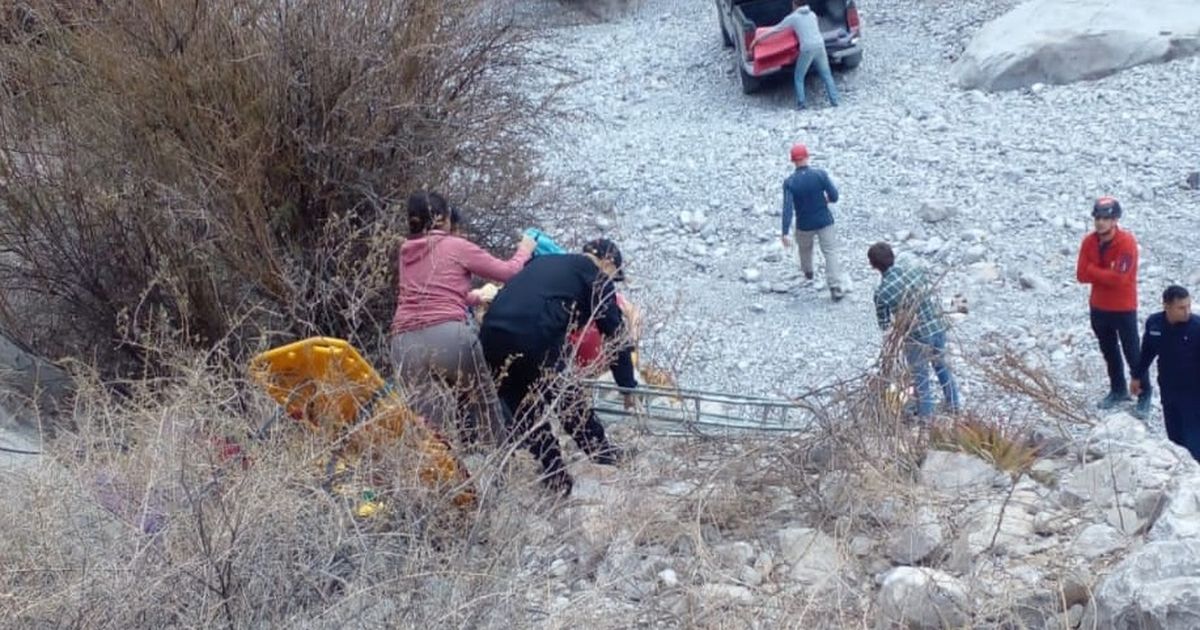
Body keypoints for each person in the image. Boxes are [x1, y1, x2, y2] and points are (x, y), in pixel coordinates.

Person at [479, 238, 638, 495]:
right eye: (614, 276)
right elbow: (615, 332)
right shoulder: (594, 274)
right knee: (565, 398)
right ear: (608, 262)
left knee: (525, 410)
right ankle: (604, 456)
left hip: (490, 336)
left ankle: (556, 477)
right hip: (533, 333)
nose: (612, 282)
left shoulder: (545, 263)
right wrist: (627, 387)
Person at [389, 192, 535, 445]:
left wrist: (475, 297)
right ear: (443, 218)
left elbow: (429, 294)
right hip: (449, 338)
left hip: (404, 342)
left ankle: (438, 477)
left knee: (427, 424)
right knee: (484, 402)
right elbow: (509, 272)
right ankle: (494, 473)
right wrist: (525, 250)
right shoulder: (457, 245)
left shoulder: (406, 251)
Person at [1076, 196, 1151, 416]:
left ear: (1115, 219)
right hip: (1099, 307)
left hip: (1123, 307)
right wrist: (1106, 271)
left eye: (1105, 218)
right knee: (1109, 350)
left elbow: (1119, 278)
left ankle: (1145, 393)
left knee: (1133, 352)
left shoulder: (1126, 242)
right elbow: (1081, 274)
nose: (1101, 222)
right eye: (1098, 218)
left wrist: (1095, 270)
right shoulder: (1089, 242)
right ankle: (1117, 388)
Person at [868, 242, 961, 418]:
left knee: (921, 379)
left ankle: (927, 419)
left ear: (873, 265)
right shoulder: (914, 270)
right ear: (893, 256)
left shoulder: (881, 292)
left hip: (916, 336)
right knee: (942, 367)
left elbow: (884, 323)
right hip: (937, 325)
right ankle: (954, 405)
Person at [1131, 285, 1200, 460]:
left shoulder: (1196, 327)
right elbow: (1147, 351)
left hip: (1193, 392)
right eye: (1181, 308)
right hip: (1168, 389)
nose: (1187, 312)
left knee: (1193, 440)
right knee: (1174, 437)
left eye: (1188, 306)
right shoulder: (1154, 324)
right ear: (1167, 306)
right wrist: (1137, 376)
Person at [780, 143, 847, 301]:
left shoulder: (790, 182)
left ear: (793, 161)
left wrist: (784, 232)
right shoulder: (820, 175)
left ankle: (808, 272)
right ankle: (835, 287)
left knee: (805, 249)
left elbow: (787, 208)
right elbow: (835, 196)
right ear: (807, 157)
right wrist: (827, 199)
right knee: (830, 252)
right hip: (824, 221)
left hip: (804, 224)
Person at [752, 0, 839, 109]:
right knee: (826, 75)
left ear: (795, 4)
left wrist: (757, 39)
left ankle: (801, 103)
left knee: (799, 76)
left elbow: (776, 29)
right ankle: (835, 101)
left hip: (807, 48)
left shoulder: (793, 18)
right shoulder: (812, 15)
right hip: (820, 46)